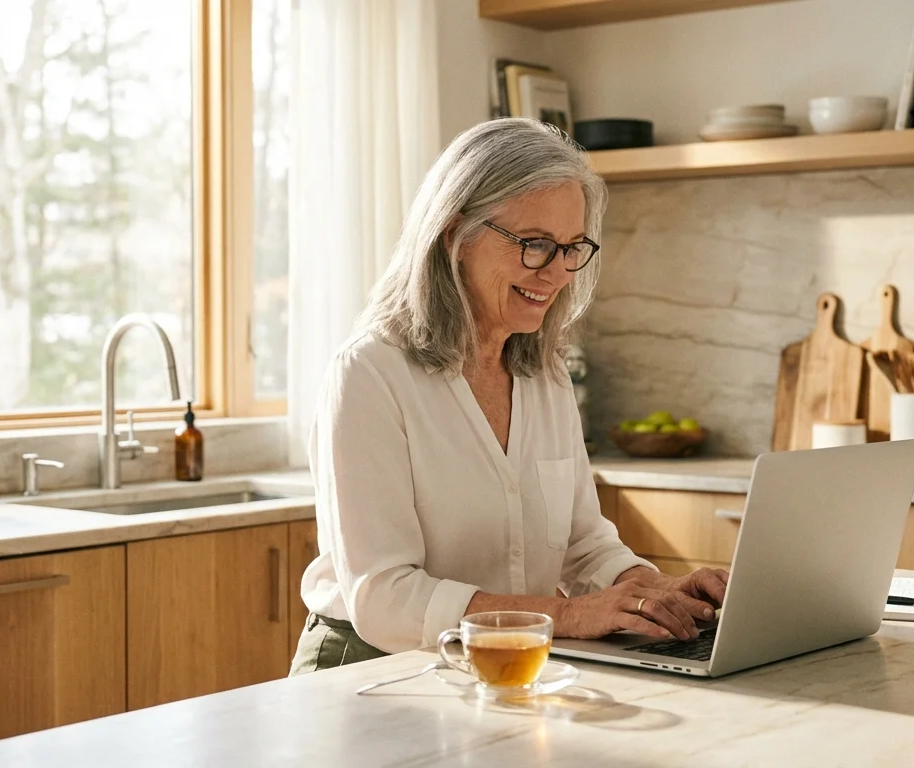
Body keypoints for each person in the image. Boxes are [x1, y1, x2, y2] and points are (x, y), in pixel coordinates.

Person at [290, 118, 728, 675]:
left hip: (500, 670)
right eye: (535, 245)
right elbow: (386, 598)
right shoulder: (370, 374)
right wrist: (569, 617)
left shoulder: (544, 376)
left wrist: (654, 591)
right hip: (368, 670)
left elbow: (583, 544)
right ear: (455, 234)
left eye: (572, 248)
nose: (556, 273)